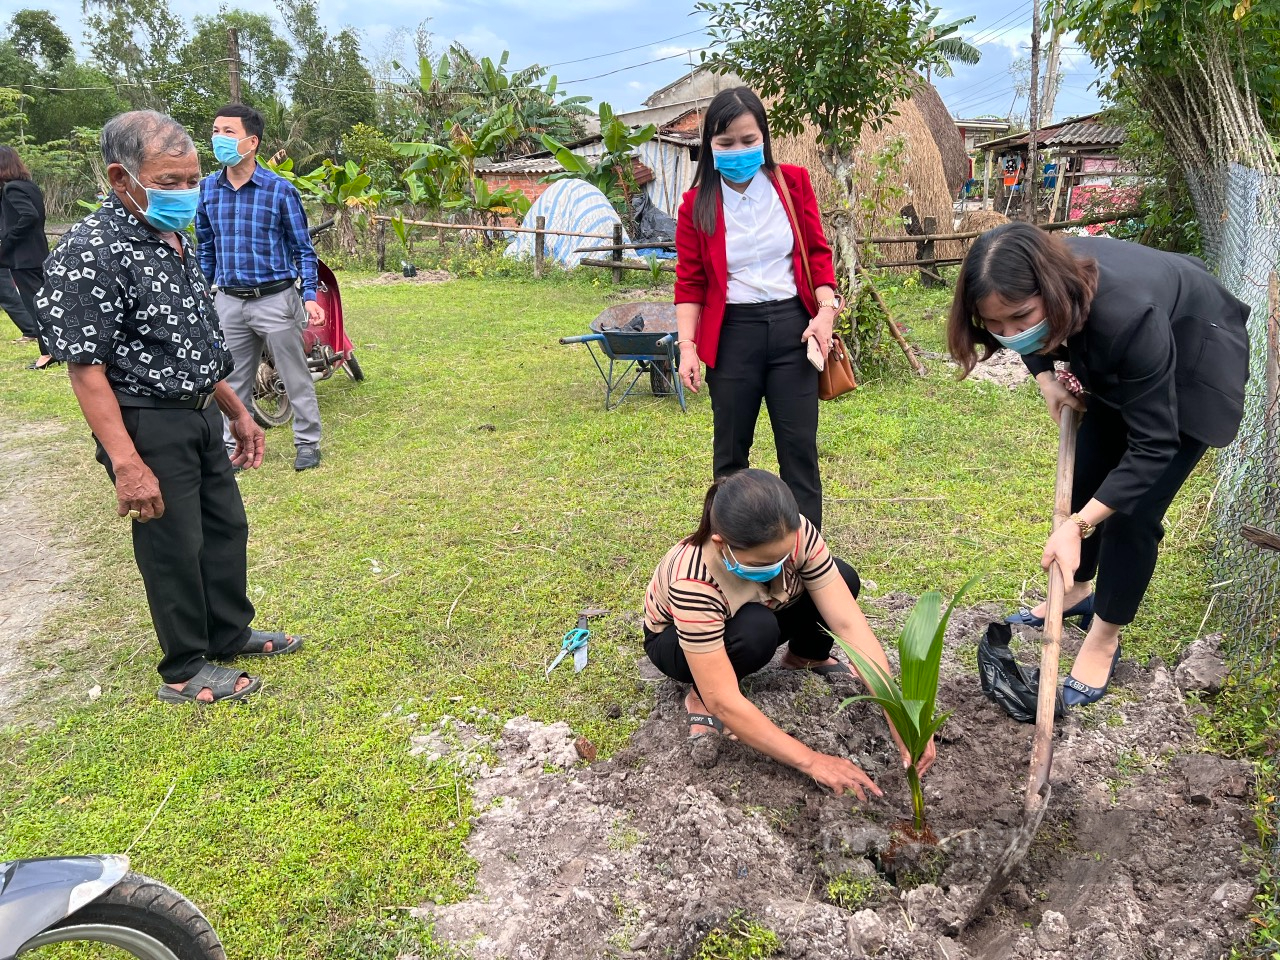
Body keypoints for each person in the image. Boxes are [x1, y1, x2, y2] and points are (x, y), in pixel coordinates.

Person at [36, 110, 304, 704]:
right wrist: (127, 462)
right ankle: (184, 666)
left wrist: (233, 405)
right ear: (120, 177)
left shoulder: (170, 237)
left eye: (191, 179)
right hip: (145, 418)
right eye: (170, 181)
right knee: (173, 542)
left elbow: (191, 337)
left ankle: (228, 631)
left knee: (223, 527)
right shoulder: (91, 253)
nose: (186, 192)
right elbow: (86, 368)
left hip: (200, 408)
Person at [948, 223, 1250, 708]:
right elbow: (1027, 332)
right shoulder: (1038, 290)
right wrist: (1046, 377)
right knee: (1090, 468)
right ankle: (1078, 590)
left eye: (1020, 318)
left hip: (1196, 345)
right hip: (1123, 347)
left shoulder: (1124, 316)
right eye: (995, 326)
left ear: (1051, 291)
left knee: (1133, 511)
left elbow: (1154, 446)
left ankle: (1104, 635)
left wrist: (1079, 525)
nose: (1010, 336)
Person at [643, 469, 937, 798]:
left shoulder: (795, 532)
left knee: (842, 576)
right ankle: (698, 694)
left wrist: (897, 711)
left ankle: (804, 656)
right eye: (765, 561)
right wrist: (812, 761)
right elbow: (724, 701)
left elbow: (847, 624)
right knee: (756, 630)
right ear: (721, 544)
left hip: (760, 607)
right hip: (678, 643)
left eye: (784, 556)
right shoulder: (693, 580)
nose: (781, 565)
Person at [674, 87, 843, 530]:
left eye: (749, 140)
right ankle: (733, 556)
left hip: (794, 332)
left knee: (799, 453)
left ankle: (807, 567)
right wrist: (687, 347)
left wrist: (825, 312)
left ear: (764, 138)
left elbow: (817, 254)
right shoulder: (696, 205)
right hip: (732, 337)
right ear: (709, 146)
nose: (738, 151)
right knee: (731, 456)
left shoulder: (793, 184)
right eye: (725, 143)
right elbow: (690, 282)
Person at [196, 103, 326, 472]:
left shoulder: (279, 190)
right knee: (233, 381)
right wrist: (205, 293)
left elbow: (303, 249)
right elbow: (206, 247)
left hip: (276, 299)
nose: (218, 139)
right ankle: (231, 449)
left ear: (251, 142)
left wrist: (309, 295)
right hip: (229, 301)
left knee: (293, 375)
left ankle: (307, 443)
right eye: (216, 131)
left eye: (228, 132)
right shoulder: (207, 190)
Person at [0, 145, 53, 368]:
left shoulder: (12, 188)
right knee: (46, 302)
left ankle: (47, 353)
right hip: (36, 253)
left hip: (23, 257)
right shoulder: (28, 186)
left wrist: (7, 240)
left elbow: (28, 217)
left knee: (36, 305)